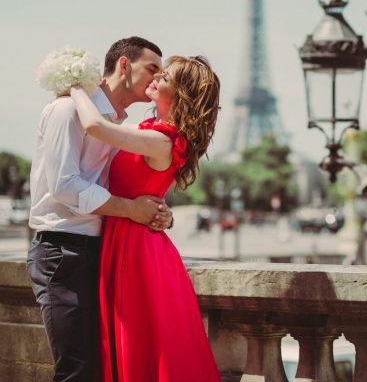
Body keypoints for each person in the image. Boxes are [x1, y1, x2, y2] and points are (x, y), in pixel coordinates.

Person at [27, 36, 173, 382]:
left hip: (97, 252)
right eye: (152, 68)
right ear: (124, 65)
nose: (157, 78)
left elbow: (120, 186)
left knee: (98, 369)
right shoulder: (66, 110)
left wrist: (157, 211)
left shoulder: (113, 125)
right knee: (76, 371)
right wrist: (131, 210)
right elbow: (65, 186)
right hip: (63, 252)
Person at [69, 54, 222, 382]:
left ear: (180, 93)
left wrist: (74, 87)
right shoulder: (156, 135)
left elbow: (94, 126)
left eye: (165, 76)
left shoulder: (161, 139)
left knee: (140, 343)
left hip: (136, 251)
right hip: (136, 243)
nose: (156, 77)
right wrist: (163, 213)